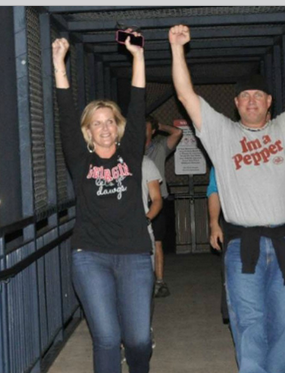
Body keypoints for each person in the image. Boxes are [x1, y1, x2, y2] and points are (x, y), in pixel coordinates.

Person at [169, 23, 285, 373]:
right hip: (243, 245)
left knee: (283, 327)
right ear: (236, 103)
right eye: (245, 96)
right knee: (250, 326)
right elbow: (185, 94)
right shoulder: (223, 134)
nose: (252, 100)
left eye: (259, 95)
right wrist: (177, 48)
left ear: (269, 101)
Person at [52, 30, 154, 373]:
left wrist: (137, 56)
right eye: (97, 124)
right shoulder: (82, 161)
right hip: (91, 255)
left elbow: (138, 104)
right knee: (108, 337)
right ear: (88, 132)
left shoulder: (131, 156)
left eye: (109, 121)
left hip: (135, 254)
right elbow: (66, 114)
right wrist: (58, 65)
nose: (105, 128)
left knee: (138, 339)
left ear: (118, 126)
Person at [145, 115, 183, 297]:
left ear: (152, 130)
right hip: (137, 201)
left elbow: (178, 132)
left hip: (157, 200)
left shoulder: (159, 148)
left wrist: (159, 125)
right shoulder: (128, 150)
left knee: (157, 241)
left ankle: (159, 282)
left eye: (146, 127)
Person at [141, 155, 163, 265]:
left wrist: (147, 218)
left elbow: (157, 199)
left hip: (141, 231)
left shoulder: (145, 163)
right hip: (110, 233)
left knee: (144, 278)